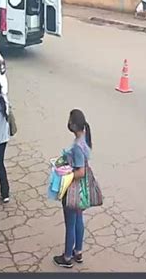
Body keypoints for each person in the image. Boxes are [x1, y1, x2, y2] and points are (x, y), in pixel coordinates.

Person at [52, 109, 92, 269]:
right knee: (78, 220)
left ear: (74, 125)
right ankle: (78, 251)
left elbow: (80, 171)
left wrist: (66, 173)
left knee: (70, 223)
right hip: (82, 190)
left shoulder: (77, 146)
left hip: (73, 189)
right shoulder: (85, 140)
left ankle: (67, 256)